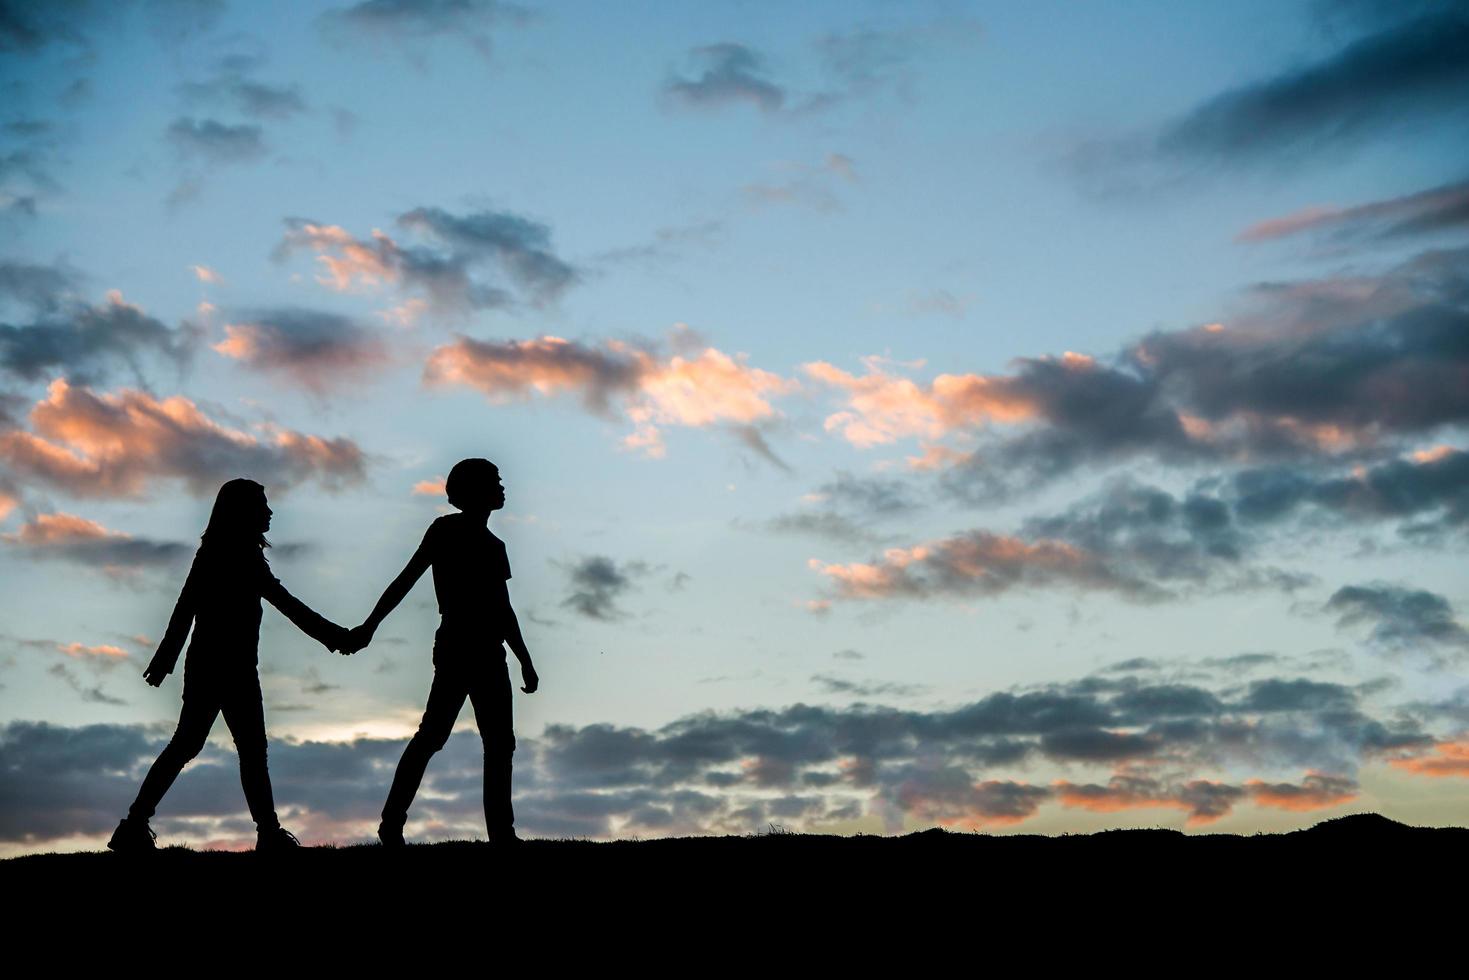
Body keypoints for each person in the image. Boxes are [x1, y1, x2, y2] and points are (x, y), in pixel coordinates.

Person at [107, 479, 349, 853]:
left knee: (209, 746)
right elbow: (277, 603)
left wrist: (166, 660)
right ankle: (265, 833)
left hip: (222, 666)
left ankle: (138, 825)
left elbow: (186, 608)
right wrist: (337, 637)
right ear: (243, 512)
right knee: (228, 748)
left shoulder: (221, 552)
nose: (269, 512)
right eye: (262, 506)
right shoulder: (236, 556)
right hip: (225, 668)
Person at [342, 457, 538, 846]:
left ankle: (502, 833)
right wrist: (370, 625)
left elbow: (503, 609)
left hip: (489, 651)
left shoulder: (495, 546)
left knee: (499, 743)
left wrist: (524, 659)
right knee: (433, 735)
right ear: (475, 489)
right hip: (457, 646)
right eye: (495, 481)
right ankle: (391, 822)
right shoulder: (444, 531)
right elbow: (405, 580)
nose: (502, 487)